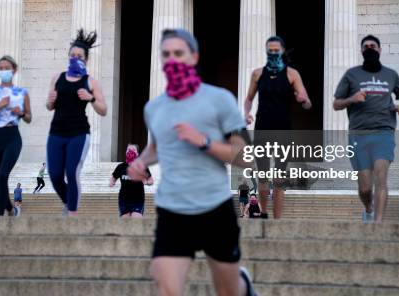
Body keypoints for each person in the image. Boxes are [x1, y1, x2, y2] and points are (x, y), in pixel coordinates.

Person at [128, 28, 257, 296]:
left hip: (214, 207)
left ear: (194, 57)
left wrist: (204, 141)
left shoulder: (220, 99)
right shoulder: (154, 108)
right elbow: (157, 147)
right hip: (172, 209)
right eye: (166, 54)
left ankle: (242, 285)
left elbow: (245, 157)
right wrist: (141, 162)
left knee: (229, 292)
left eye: (179, 53)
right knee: (169, 292)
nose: (172, 59)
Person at [333, 35, 399, 223]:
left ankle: (378, 223)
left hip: (384, 132)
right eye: (366, 47)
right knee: (365, 188)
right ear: (361, 51)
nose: (369, 49)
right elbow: (336, 104)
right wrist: (352, 98)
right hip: (359, 134)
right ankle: (368, 208)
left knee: (381, 178)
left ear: (380, 50)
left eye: (373, 46)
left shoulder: (390, 75)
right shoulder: (352, 75)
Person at [244, 35, 312, 219]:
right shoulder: (257, 74)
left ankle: (278, 220)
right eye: (270, 50)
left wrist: (303, 100)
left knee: (280, 178)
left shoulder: (292, 74)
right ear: (266, 51)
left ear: (282, 51)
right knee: (263, 177)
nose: (273, 53)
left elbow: (307, 103)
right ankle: (264, 214)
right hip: (263, 127)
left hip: (283, 129)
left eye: (276, 50)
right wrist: (246, 113)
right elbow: (249, 99)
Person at [46, 29, 107, 216]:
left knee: (72, 172)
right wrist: (50, 101)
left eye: (79, 56)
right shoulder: (57, 77)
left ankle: (73, 214)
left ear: (86, 60)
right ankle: (68, 201)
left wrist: (90, 98)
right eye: (72, 55)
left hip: (79, 133)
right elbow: (49, 106)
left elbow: (103, 110)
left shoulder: (91, 82)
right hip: (56, 132)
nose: (75, 58)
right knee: (55, 175)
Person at [0, 55, 32, 216]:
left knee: (3, 175)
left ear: (14, 70)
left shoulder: (22, 93)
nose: (3, 71)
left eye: (6, 68)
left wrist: (21, 112)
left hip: (12, 136)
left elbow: (29, 118)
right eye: (1, 68)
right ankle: (10, 209)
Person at [110, 143, 153, 218]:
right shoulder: (121, 167)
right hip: (124, 200)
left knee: (136, 220)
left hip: (138, 199)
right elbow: (113, 178)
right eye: (128, 150)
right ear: (126, 152)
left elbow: (151, 181)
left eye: (133, 150)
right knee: (125, 222)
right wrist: (111, 182)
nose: (130, 152)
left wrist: (147, 183)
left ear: (137, 153)